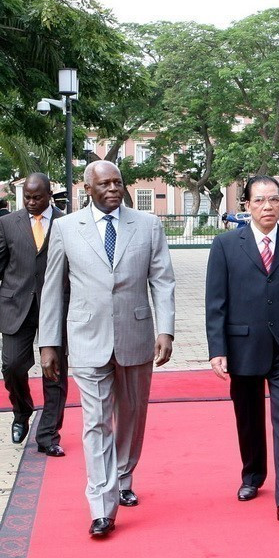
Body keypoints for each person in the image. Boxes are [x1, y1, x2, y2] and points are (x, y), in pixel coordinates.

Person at [39, 160, 175, 538]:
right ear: (88, 189)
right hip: (86, 337)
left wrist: (166, 330)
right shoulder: (65, 228)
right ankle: (102, 504)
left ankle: (123, 476)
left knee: (131, 415)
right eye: (105, 184)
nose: (114, 188)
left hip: (136, 334)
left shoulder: (148, 225)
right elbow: (52, 287)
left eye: (118, 182)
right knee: (95, 421)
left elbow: (162, 280)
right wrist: (49, 342)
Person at [206, 175, 279, 524]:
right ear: (247, 205)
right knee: (249, 418)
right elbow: (216, 303)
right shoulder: (225, 244)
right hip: (243, 345)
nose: (268, 206)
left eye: (274, 200)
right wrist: (217, 349)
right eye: (260, 200)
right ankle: (252, 475)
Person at [0, 174, 68, 454]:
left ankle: (48, 435)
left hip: (56, 307)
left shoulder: (67, 223)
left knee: (54, 372)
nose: (30, 202)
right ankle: (22, 410)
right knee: (12, 366)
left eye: (36, 197)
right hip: (16, 307)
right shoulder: (6, 223)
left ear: (49, 194)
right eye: (26, 197)